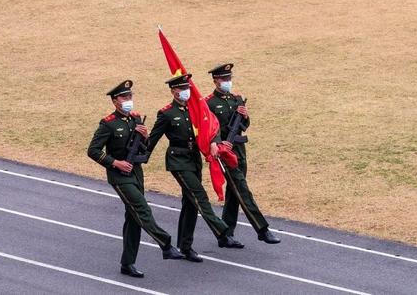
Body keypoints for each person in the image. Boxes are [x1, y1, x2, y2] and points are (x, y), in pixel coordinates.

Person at [87, 80, 184, 278]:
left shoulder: (136, 119)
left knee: (133, 218)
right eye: (124, 97)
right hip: (119, 176)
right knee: (142, 208)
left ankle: (127, 263)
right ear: (115, 101)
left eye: (130, 96)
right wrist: (115, 163)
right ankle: (165, 243)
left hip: (136, 173)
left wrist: (145, 136)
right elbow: (93, 150)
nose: (128, 100)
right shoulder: (108, 124)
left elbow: (144, 149)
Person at [146, 73, 244, 263]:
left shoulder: (195, 109)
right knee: (199, 195)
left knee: (190, 203)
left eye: (188, 88)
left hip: (194, 159)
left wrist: (215, 142)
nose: (186, 91)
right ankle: (222, 232)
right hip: (178, 161)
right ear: (174, 91)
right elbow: (153, 139)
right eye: (182, 89)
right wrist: (140, 157)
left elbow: (211, 127)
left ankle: (186, 246)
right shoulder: (166, 113)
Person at [206, 63, 280, 244]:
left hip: (239, 150)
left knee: (234, 192)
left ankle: (226, 233)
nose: (227, 82)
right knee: (242, 190)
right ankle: (262, 229)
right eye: (224, 79)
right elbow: (208, 128)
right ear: (215, 80)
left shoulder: (236, 98)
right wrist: (217, 143)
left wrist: (245, 116)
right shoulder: (208, 103)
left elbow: (244, 126)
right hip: (224, 153)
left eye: (229, 78)